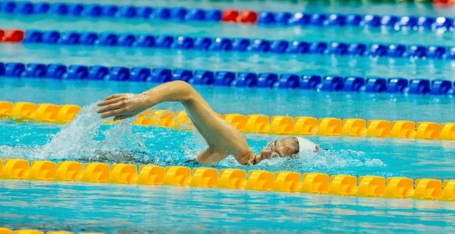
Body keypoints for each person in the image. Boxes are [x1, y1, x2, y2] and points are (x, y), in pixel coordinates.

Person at [97, 81, 320, 165]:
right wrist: (146, 99)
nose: (266, 152)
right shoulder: (238, 149)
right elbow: (187, 92)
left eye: (276, 156)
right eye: (272, 145)